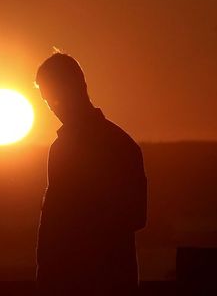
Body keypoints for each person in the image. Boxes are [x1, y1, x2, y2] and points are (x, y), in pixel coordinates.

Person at [35, 52, 147, 295]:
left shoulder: (118, 146)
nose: (53, 106)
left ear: (79, 86)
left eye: (55, 96)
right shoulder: (64, 148)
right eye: (47, 99)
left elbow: (136, 215)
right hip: (73, 280)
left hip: (102, 280)